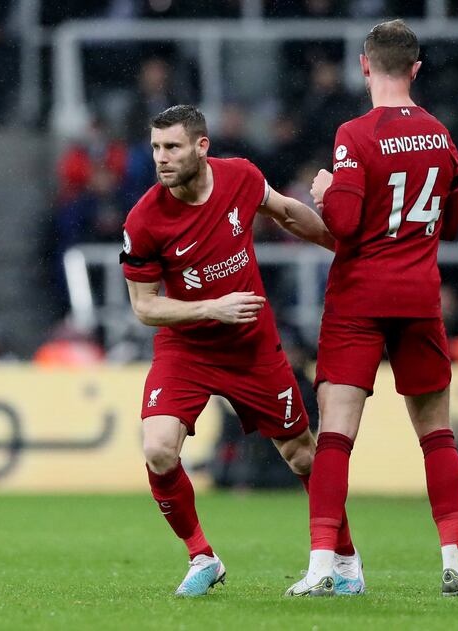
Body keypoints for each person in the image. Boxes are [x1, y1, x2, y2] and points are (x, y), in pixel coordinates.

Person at [285, 19, 458, 597]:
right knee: (436, 434)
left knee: (335, 433)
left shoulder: (355, 134)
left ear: (363, 65)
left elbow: (346, 226)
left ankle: (324, 566)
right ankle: (456, 560)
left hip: (360, 297)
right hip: (419, 297)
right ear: (416, 69)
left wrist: (326, 195)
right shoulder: (442, 136)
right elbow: (449, 224)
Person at [120, 105, 359, 597]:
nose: (161, 159)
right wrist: (213, 308)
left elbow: (288, 212)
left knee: (301, 456)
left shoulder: (241, 177)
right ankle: (202, 556)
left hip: (252, 347)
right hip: (185, 350)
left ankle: (346, 558)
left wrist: (346, 248)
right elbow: (144, 308)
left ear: (201, 147)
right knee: (159, 449)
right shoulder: (144, 220)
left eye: (172, 147)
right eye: (155, 149)